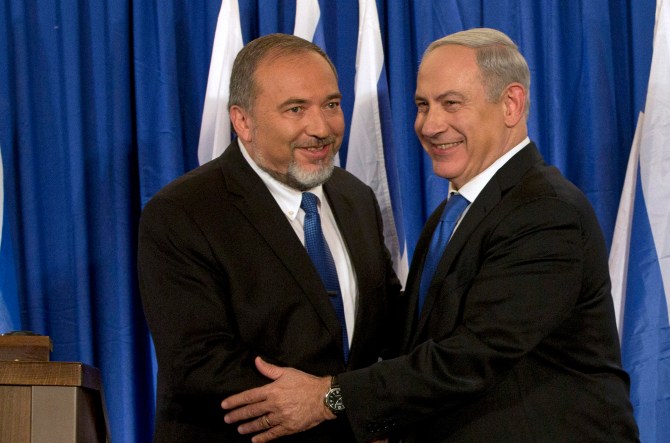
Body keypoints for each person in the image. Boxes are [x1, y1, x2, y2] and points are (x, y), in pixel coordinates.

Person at [220, 28, 640, 443]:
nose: (431, 124)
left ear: (511, 103)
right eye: (423, 105)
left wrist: (327, 397)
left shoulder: (545, 212)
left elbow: (472, 356)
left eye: (451, 104)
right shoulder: (455, 212)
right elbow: (410, 334)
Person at [137, 33, 403, 442]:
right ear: (243, 121)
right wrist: (343, 405)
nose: (321, 128)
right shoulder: (184, 212)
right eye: (296, 109)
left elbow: (386, 328)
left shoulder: (356, 198)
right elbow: (200, 364)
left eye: (331, 104)